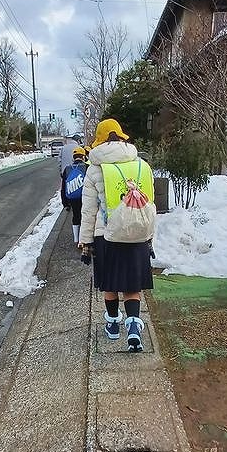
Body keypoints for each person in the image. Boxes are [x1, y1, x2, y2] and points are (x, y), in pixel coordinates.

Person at [79, 118, 155, 352]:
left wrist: (85, 242)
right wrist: (150, 238)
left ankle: (113, 326)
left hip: (106, 236)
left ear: (100, 140)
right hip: (137, 234)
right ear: (121, 137)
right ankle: (133, 329)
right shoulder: (140, 164)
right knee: (132, 286)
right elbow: (148, 204)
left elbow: (88, 210)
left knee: (110, 284)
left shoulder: (94, 169)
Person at [61, 145, 87, 245]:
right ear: (83, 157)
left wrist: (65, 203)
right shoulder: (86, 167)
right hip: (85, 196)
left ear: (73, 157)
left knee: (75, 215)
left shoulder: (67, 169)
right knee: (84, 216)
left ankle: (76, 238)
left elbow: (63, 187)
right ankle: (83, 239)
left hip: (72, 197)